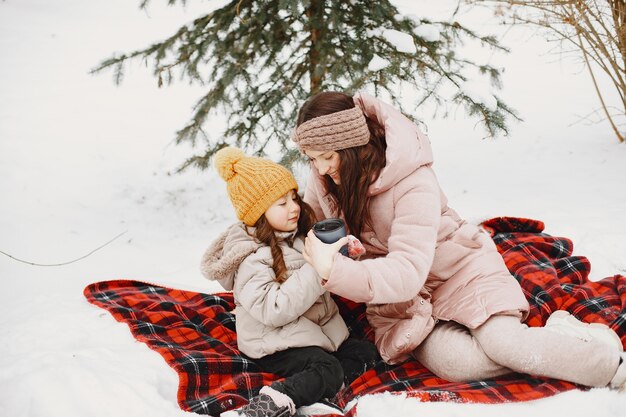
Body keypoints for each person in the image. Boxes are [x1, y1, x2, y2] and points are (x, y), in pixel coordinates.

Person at [292, 91, 626, 389]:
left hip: (458, 271)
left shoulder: (412, 181)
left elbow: (407, 271)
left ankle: (610, 365)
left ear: (351, 147)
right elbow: (305, 226)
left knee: (504, 345)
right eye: (312, 158)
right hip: (405, 304)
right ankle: (553, 343)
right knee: (462, 365)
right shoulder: (326, 178)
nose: (319, 170)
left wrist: (333, 271)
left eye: (327, 157)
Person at [200, 147, 379, 417]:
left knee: (364, 352)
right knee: (327, 369)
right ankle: (276, 400)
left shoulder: (295, 236)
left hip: (314, 334)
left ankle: (320, 392)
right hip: (275, 343)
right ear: (259, 212)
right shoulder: (252, 258)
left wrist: (341, 257)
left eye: (293, 198)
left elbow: (321, 279)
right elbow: (272, 310)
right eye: (281, 203)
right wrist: (318, 268)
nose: (294, 207)